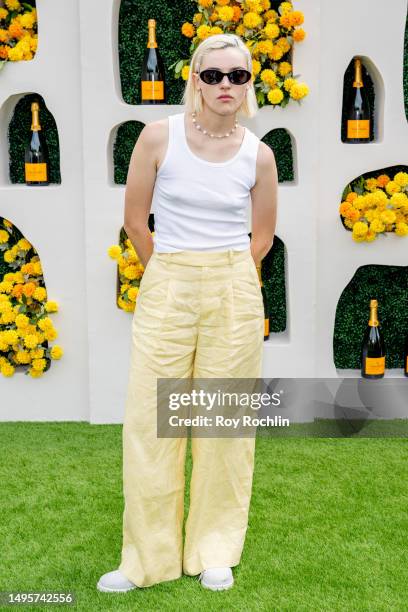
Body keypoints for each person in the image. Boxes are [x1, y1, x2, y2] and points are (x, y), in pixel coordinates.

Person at [97, 32, 277, 593]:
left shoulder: (259, 153)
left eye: (237, 76)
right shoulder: (158, 138)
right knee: (154, 423)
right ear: (195, 79)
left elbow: (263, 238)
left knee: (223, 426)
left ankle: (214, 549)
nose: (226, 86)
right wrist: (168, 270)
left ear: (248, 84)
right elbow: (135, 222)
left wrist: (224, 276)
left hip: (233, 288)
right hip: (168, 279)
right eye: (214, 75)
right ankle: (145, 560)